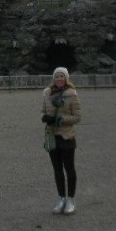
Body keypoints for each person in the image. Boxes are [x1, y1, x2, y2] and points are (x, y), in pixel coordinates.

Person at [41, 66, 81, 215]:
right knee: (57, 170)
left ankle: (71, 199)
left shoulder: (72, 94)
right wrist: (45, 118)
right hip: (52, 136)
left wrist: (60, 119)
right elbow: (43, 111)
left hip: (67, 136)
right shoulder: (47, 93)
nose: (59, 79)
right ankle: (61, 198)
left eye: (61, 76)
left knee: (69, 168)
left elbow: (77, 117)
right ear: (53, 78)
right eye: (56, 76)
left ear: (66, 78)